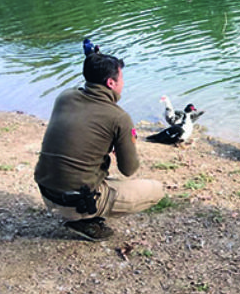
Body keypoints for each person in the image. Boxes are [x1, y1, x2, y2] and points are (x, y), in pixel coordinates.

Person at [34, 40, 164, 241]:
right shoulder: (119, 118)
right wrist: (129, 140)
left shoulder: (65, 97)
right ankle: (84, 220)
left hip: (47, 191)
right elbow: (129, 169)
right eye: (121, 78)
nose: (123, 83)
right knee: (156, 190)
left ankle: (80, 212)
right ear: (111, 84)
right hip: (75, 202)